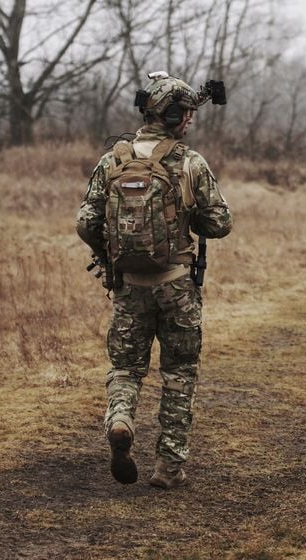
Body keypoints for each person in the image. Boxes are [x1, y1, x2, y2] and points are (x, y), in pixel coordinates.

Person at [76, 72, 232, 489]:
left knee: (126, 367)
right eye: (189, 115)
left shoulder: (114, 160)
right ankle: (169, 467)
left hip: (128, 286)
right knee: (179, 373)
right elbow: (220, 223)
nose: (191, 122)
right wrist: (190, 216)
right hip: (178, 285)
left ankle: (122, 418)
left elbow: (86, 220)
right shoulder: (189, 162)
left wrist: (108, 258)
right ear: (177, 116)